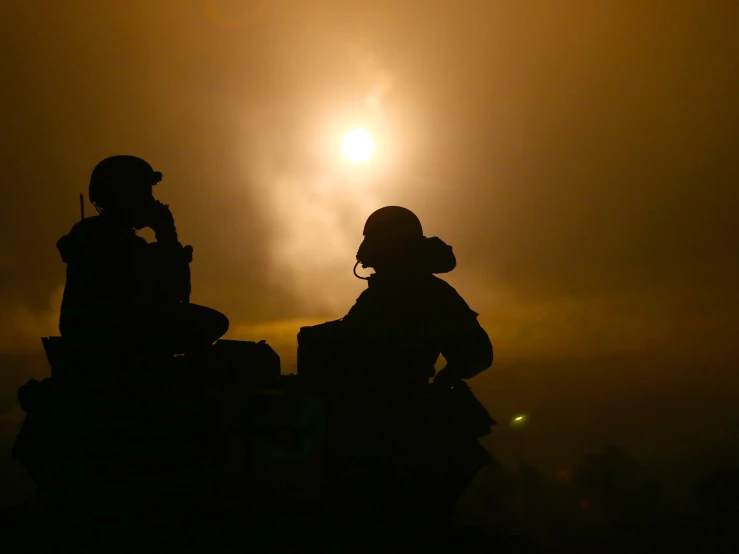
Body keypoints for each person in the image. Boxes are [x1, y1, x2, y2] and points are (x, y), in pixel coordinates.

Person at [298, 206, 494, 541]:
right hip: (385, 419)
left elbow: (475, 354)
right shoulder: (416, 293)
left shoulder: (407, 295)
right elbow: (475, 355)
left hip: (387, 426)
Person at [56, 155, 228, 360]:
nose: (152, 201)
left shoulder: (90, 232)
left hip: (95, 334)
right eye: (146, 192)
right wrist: (166, 233)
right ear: (127, 195)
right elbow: (173, 293)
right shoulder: (112, 240)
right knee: (212, 323)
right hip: (115, 338)